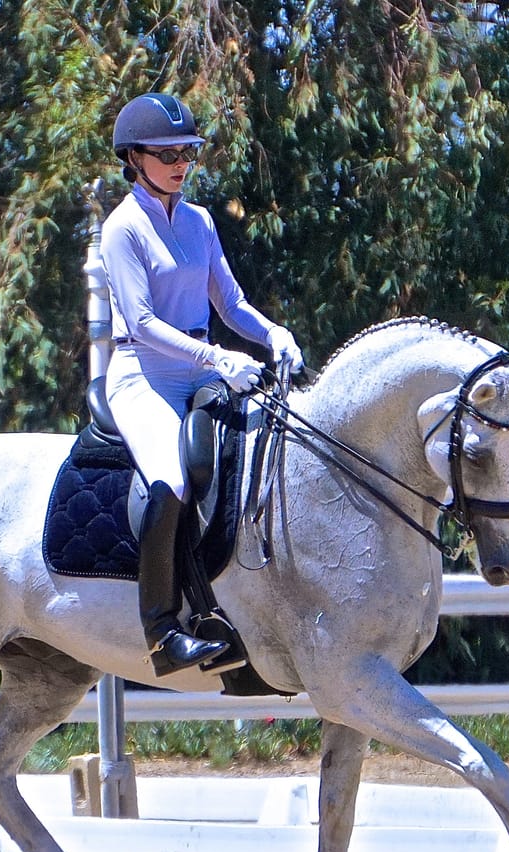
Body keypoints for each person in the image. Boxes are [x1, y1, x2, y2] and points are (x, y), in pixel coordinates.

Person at [100, 91, 305, 677]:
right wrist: (218, 358)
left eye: (186, 150)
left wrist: (272, 334)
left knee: (259, 453)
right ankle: (162, 631)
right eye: (166, 153)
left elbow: (231, 302)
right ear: (135, 158)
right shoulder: (124, 229)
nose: (180, 162)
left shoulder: (199, 221)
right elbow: (141, 323)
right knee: (169, 481)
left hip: (200, 368)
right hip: (144, 375)